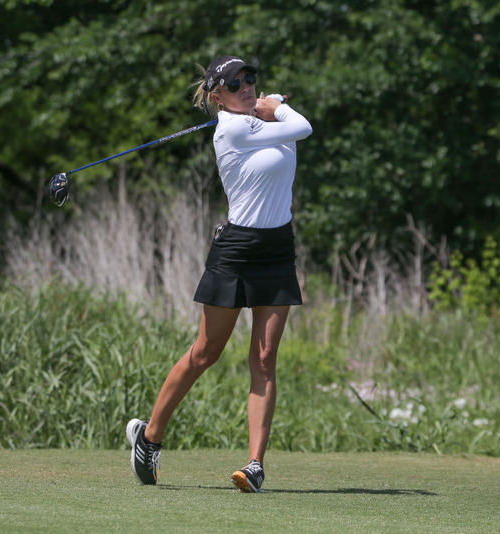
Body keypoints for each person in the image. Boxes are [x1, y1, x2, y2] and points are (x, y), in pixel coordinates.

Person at [126, 55, 312, 493]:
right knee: (206, 353)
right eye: (235, 84)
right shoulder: (232, 128)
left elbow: (292, 128)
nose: (246, 87)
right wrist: (275, 106)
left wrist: (268, 106)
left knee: (265, 359)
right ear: (217, 98)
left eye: (250, 79)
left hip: (277, 248)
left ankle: (254, 465)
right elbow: (302, 126)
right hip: (236, 250)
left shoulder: (260, 121)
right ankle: (149, 437)